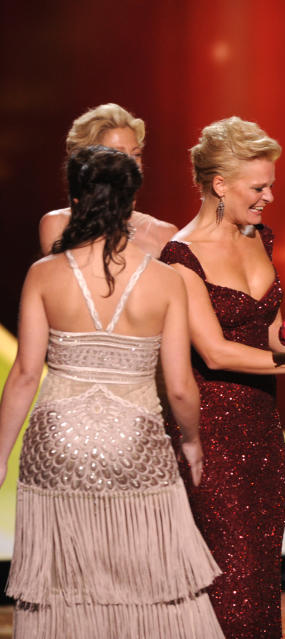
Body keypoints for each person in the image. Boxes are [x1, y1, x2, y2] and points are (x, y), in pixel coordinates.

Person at [0, 146, 223, 638]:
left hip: (55, 446)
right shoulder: (165, 282)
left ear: (75, 199)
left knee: (63, 585)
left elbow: (23, 374)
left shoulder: (44, 273)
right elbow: (181, 387)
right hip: (136, 445)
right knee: (151, 582)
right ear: (130, 203)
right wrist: (191, 442)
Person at [160, 117, 285, 638]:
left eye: (271, 185)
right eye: (258, 187)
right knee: (231, 573)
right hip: (214, 429)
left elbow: (273, 334)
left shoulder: (261, 237)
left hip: (264, 424)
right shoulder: (180, 256)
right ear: (220, 185)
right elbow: (215, 353)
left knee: (262, 571)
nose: (269, 196)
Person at [39, 103, 177, 256]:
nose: (132, 165)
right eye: (118, 155)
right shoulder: (58, 224)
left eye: (136, 155)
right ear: (87, 162)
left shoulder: (164, 234)